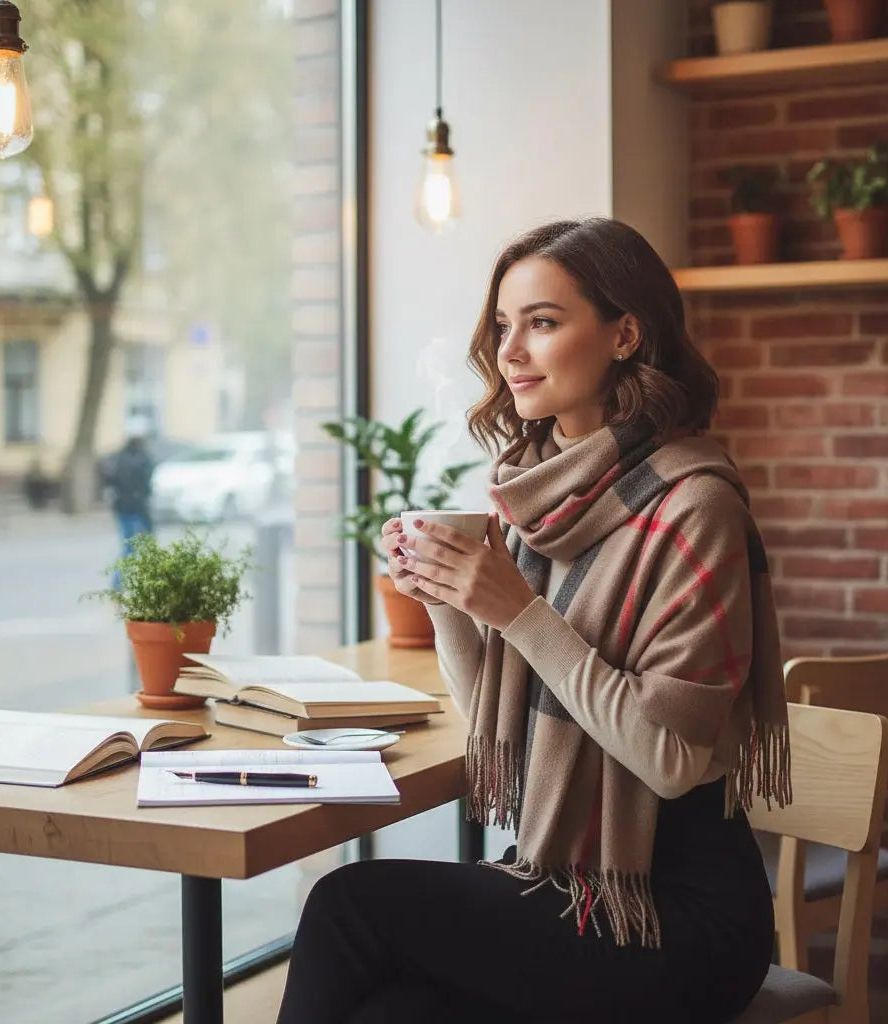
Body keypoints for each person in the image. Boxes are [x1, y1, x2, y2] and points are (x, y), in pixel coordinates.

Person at [276, 218, 791, 1024]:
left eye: (542, 323)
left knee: (350, 902)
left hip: (678, 916)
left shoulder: (698, 506)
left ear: (626, 333)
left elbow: (670, 760)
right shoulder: (538, 498)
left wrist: (517, 610)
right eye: (504, 327)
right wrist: (446, 599)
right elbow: (496, 720)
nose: (510, 351)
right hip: (560, 882)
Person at [109, 418, 155, 560]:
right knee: (141, 545)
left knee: (130, 544)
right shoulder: (142, 458)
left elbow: (112, 482)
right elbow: (145, 484)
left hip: (123, 506)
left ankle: (119, 580)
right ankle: (120, 580)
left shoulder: (119, 457)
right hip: (136, 507)